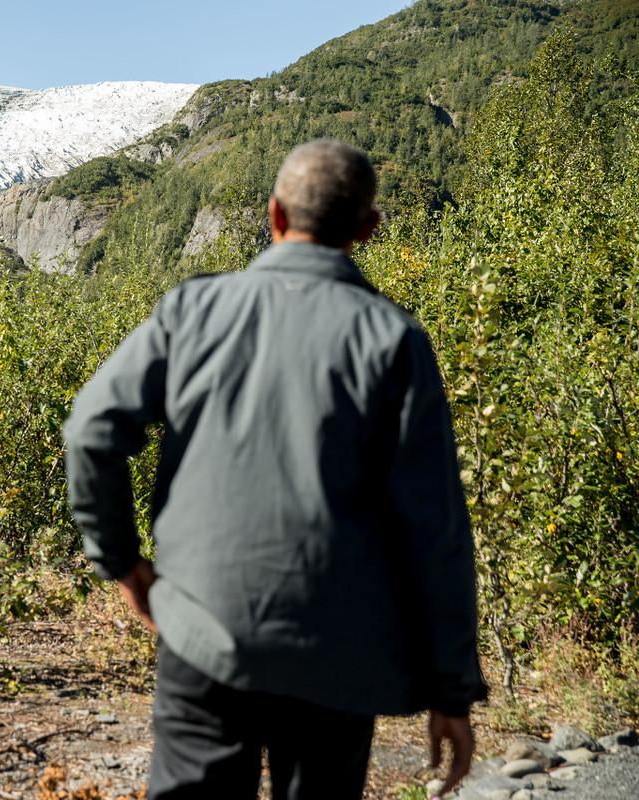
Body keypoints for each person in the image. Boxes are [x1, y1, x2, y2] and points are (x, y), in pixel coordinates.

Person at [62, 139, 488, 800]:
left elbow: (91, 431)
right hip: (340, 649)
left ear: (274, 215)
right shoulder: (394, 339)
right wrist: (451, 689)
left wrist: (125, 566)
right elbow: (436, 529)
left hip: (202, 629)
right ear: (367, 230)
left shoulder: (192, 313)